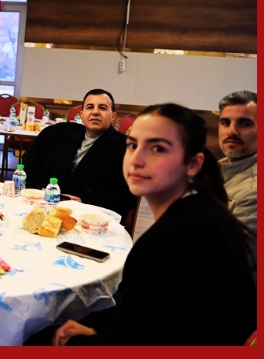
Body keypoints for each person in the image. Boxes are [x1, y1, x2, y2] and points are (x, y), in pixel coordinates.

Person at [49, 103, 256, 346]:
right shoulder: (201, 210)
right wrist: (98, 329)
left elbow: (139, 339)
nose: (136, 160)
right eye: (132, 145)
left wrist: (81, 341)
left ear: (193, 164)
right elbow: (146, 316)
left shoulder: (176, 235)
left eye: (157, 148)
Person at [28, 88, 138, 224]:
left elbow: (127, 196)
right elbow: (46, 176)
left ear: (113, 116)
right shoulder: (66, 140)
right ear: (82, 114)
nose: (95, 112)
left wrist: (81, 200)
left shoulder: (126, 147)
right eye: (90, 107)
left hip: (96, 217)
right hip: (57, 210)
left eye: (102, 108)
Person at [217, 90, 257, 236]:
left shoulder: (254, 191)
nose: (232, 131)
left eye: (245, 124)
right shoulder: (209, 169)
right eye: (225, 123)